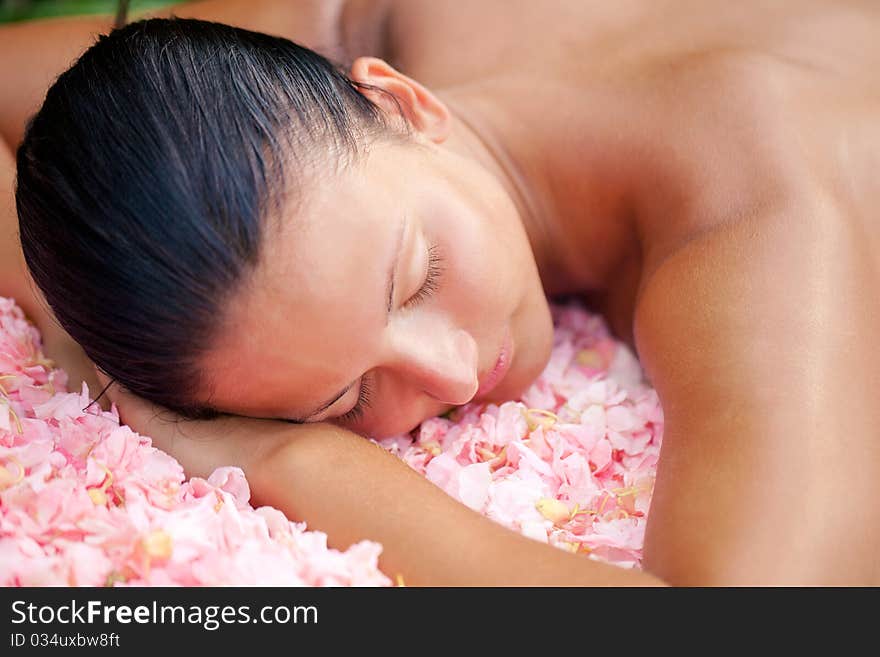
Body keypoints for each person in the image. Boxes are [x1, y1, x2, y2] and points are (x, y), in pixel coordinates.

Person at [2, 0, 879, 586]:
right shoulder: (321, 43)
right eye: (347, 399)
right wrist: (70, 317)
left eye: (417, 277)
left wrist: (293, 461)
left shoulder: (769, 232)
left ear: (402, 104)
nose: (456, 376)